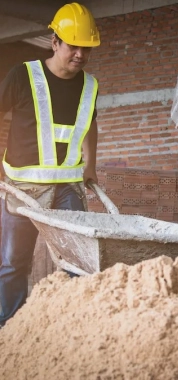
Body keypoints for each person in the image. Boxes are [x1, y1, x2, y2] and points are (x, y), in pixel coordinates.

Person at [0, 2, 100, 327]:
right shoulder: (22, 75)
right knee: (14, 261)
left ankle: (70, 325)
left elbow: (90, 124)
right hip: (23, 187)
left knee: (78, 260)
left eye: (86, 48)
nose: (80, 55)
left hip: (69, 187)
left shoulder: (90, 85)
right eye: (73, 46)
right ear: (54, 41)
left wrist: (91, 166)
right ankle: (9, 326)